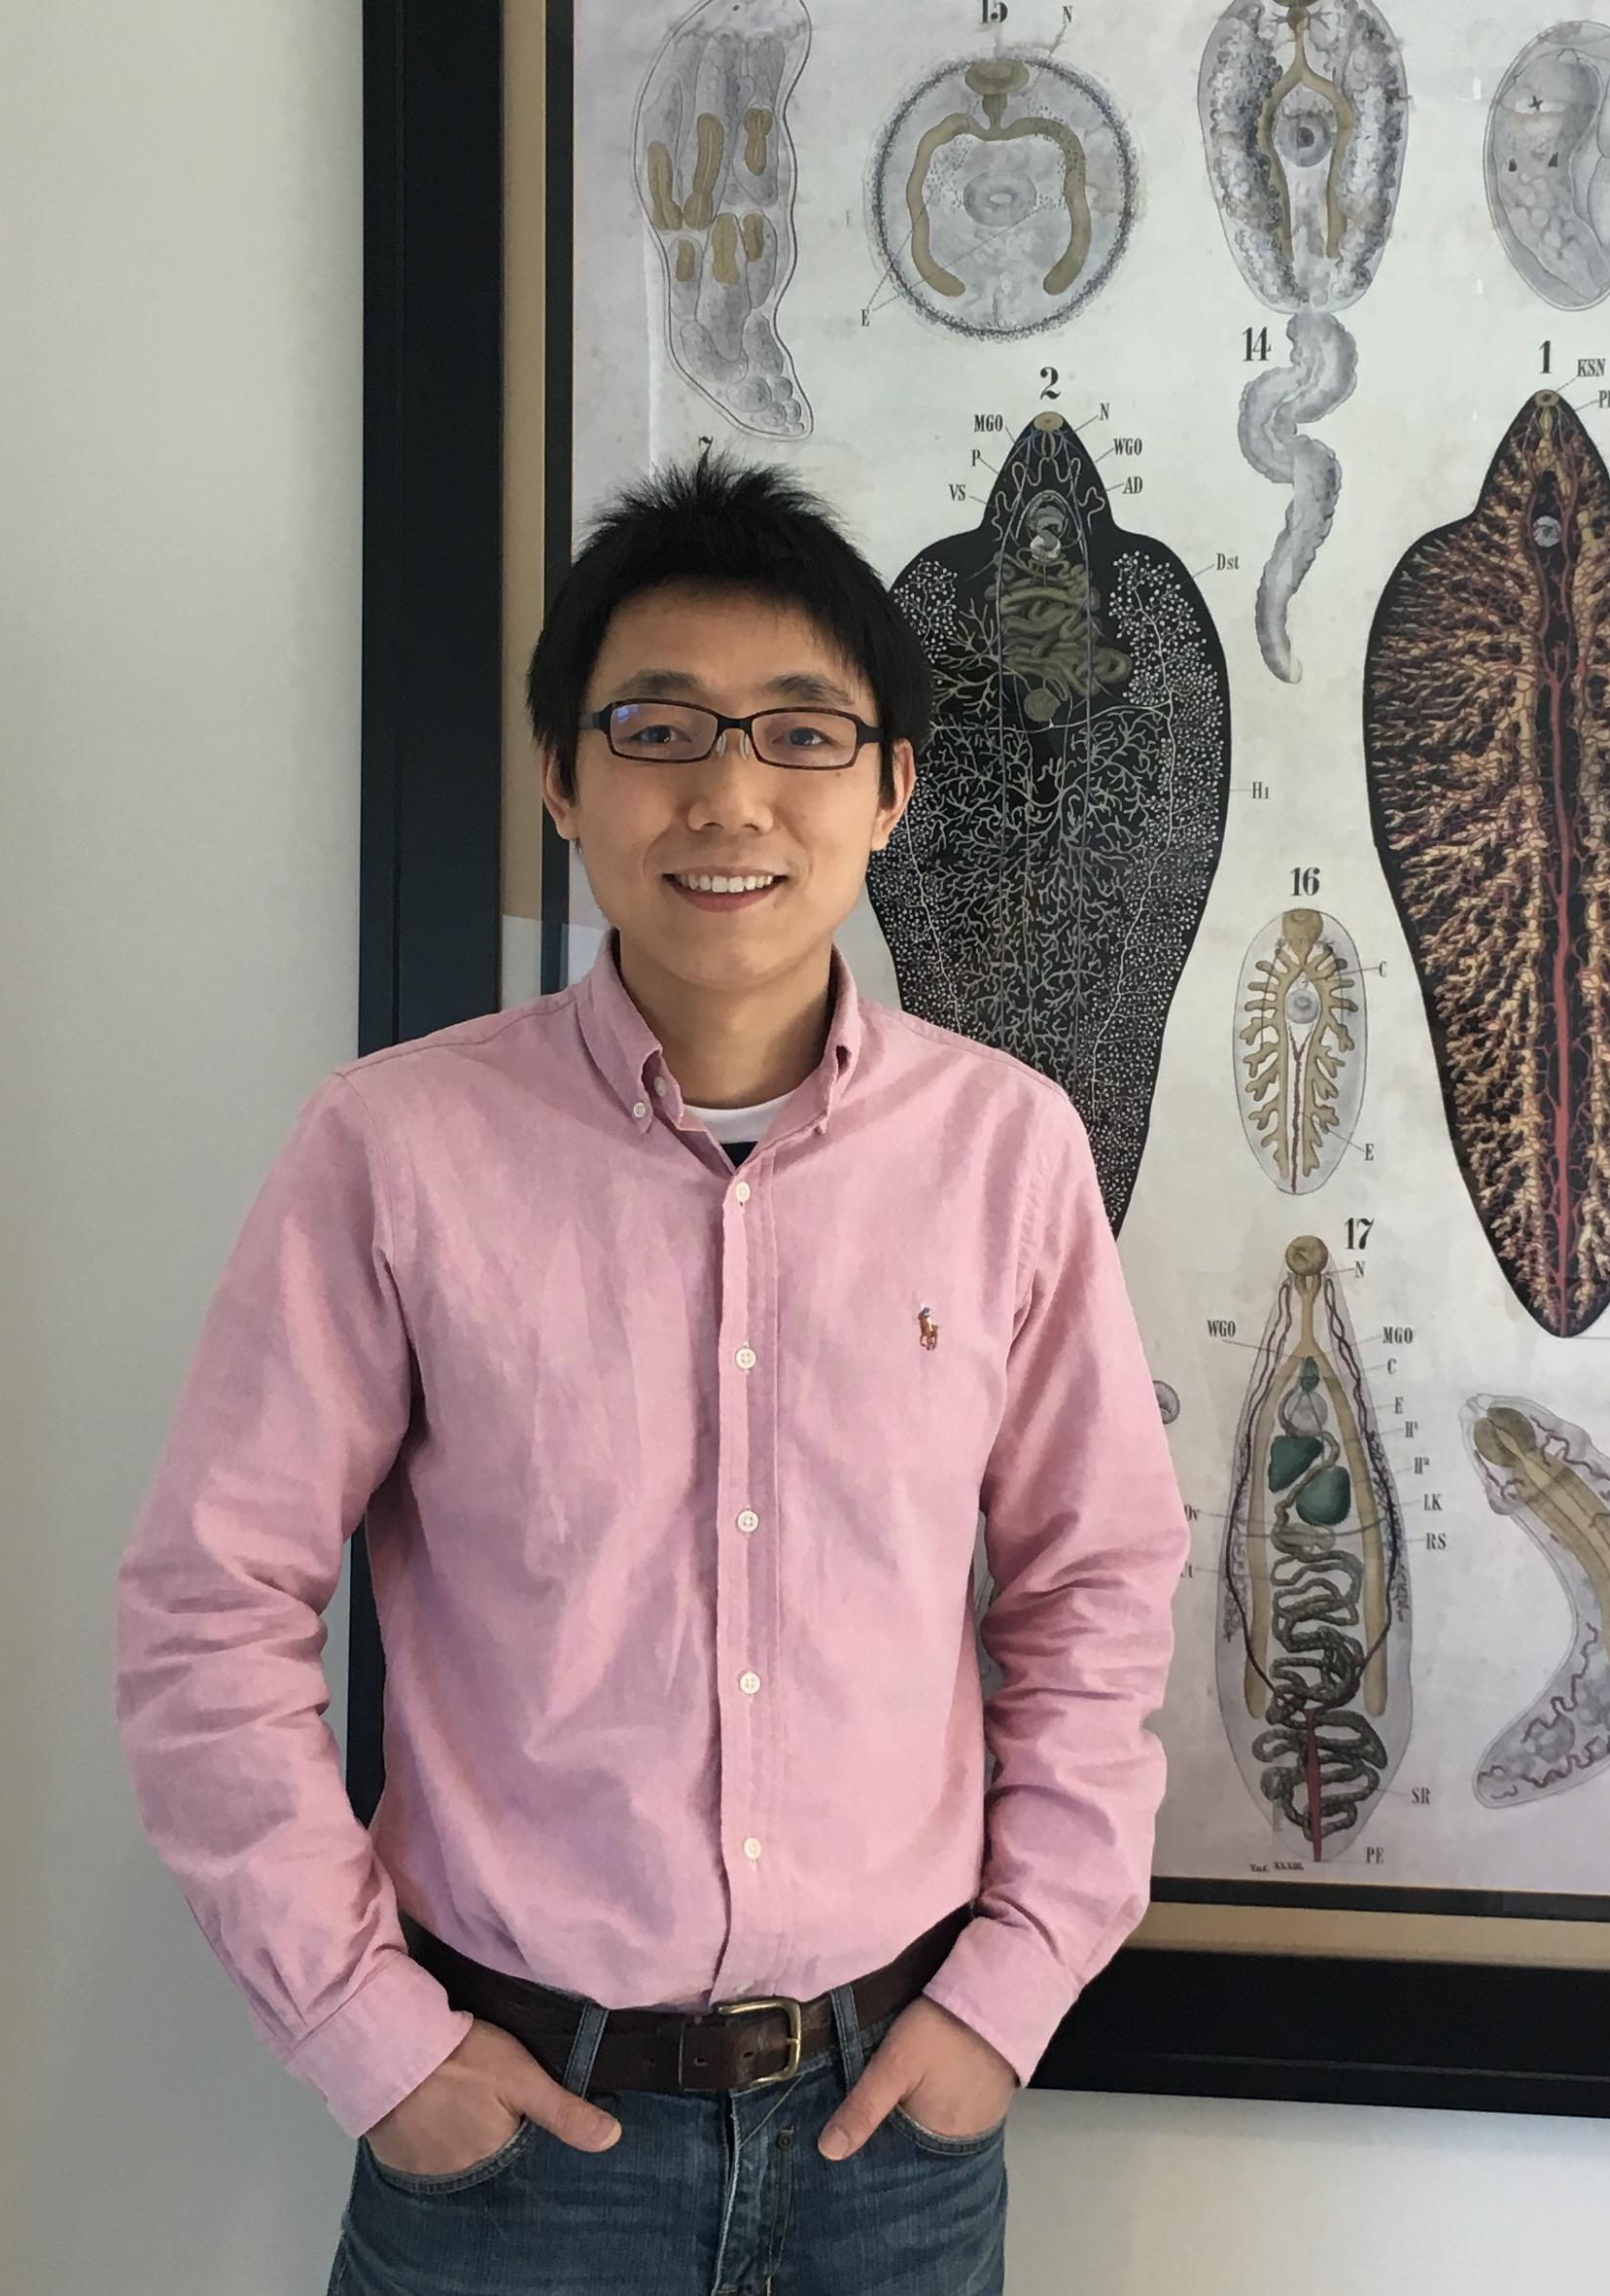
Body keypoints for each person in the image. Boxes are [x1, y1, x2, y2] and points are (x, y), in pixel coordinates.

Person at [113, 455, 1189, 2295]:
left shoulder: (1007, 1153)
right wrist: (372, 2039)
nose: (730, 794)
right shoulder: (395, 1151)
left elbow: (1097, 1586)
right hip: (519, 2141)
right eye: (659, 727)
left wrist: (1011, 1991)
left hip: (893, 2136)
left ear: (891, 788)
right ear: (563, 777)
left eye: (802, 733)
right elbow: (207, 1610)